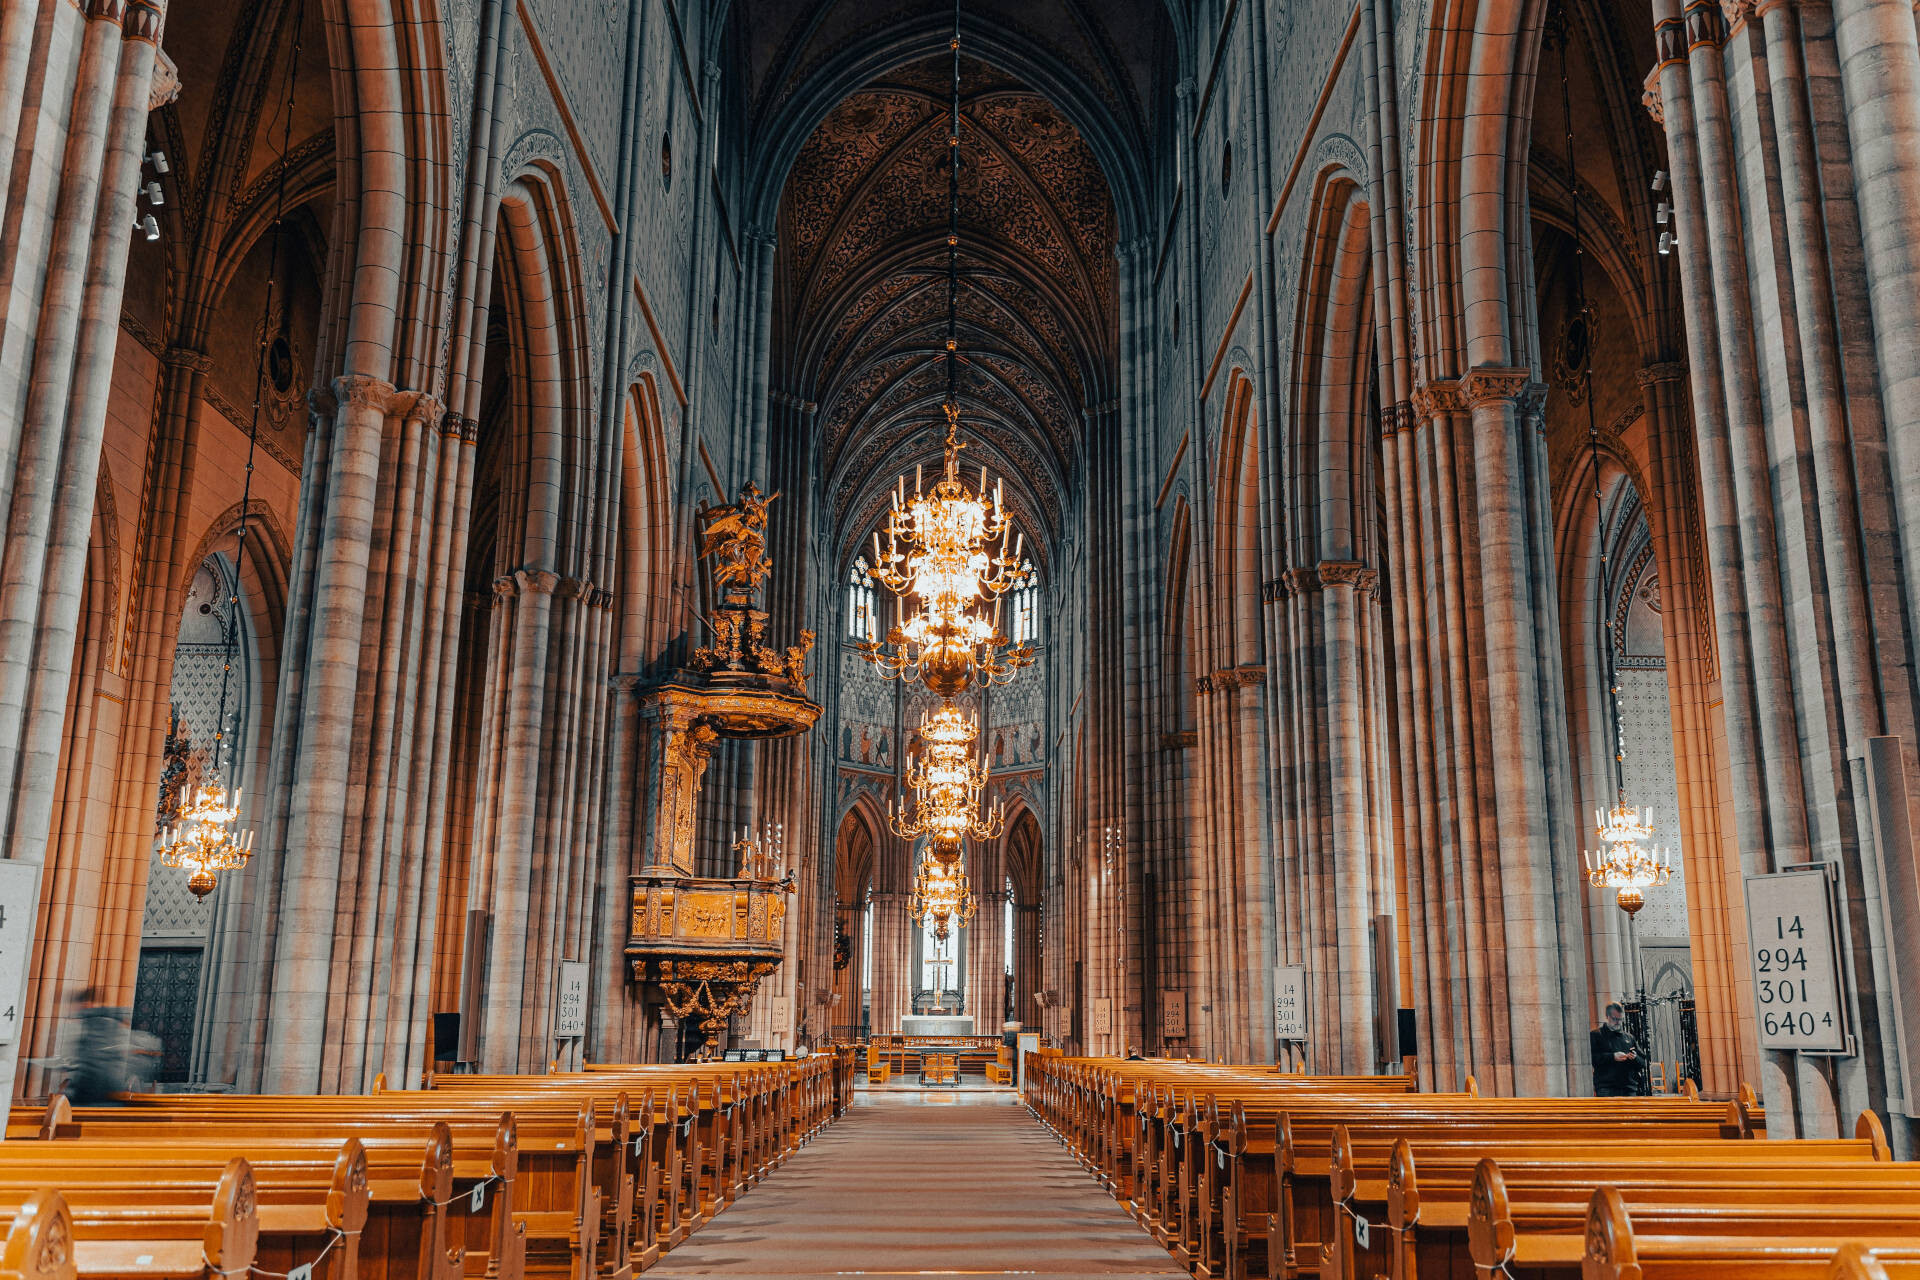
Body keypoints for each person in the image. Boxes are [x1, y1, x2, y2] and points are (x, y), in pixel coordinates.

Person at [1590, 1001, 1640, 1096]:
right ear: (1607, 1016)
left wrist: (1635, 1057)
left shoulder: (1629, 1037)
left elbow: (1641, 1062)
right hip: (1606, 1087)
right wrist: (1612, 1057)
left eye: (1620, 1019)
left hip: (1628, 1087)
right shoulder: (1596, 1035)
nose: (1618, 1022)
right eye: (1615, 1019)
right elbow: (1592, 1058)